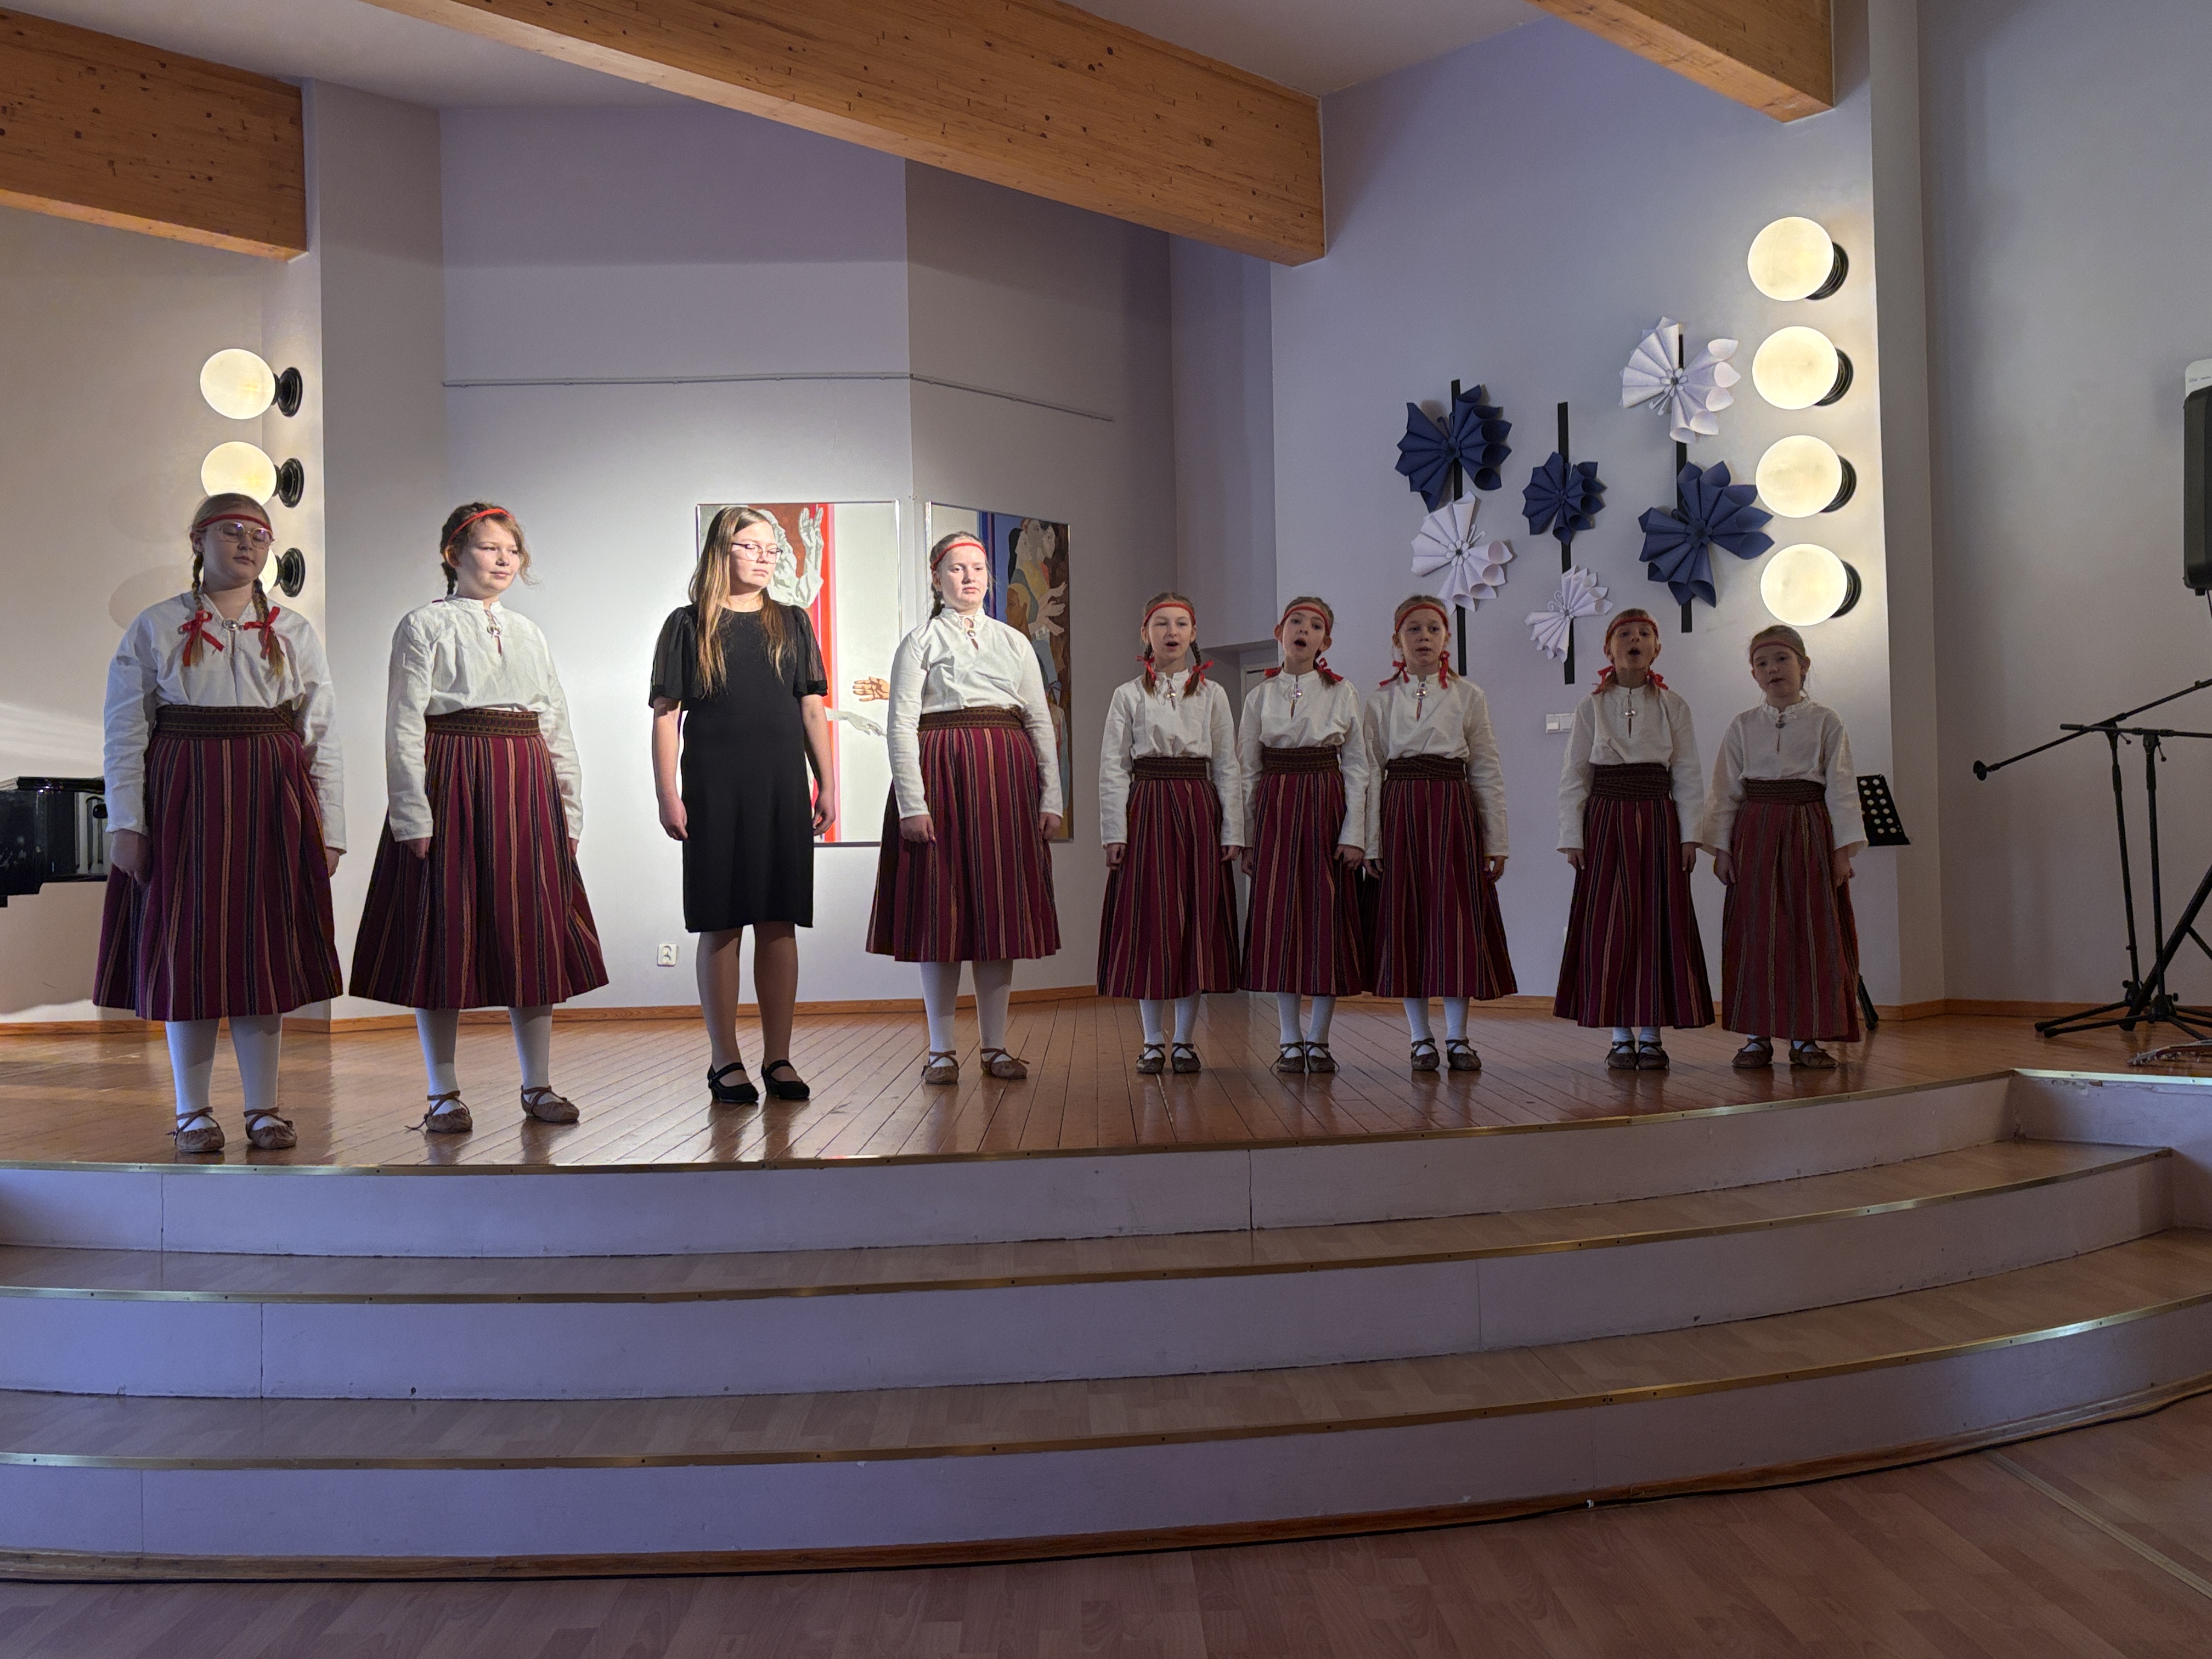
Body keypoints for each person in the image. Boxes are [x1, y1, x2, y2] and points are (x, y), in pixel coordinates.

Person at [95, 494, 345, 1155]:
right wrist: (127, 822)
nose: (246, 543)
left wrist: (330, 828)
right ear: (197, 541)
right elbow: (125, 728)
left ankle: (264, 1108)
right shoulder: (155, 626)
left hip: (271, 796)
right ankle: (193, 1112)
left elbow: (321, 732)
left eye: (259, 535)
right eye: (231, 532)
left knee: (264, 952)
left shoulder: (294, 631)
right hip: (186, 795)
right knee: (190, 949)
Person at [349, 502, 608, 1132]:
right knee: (443, 929)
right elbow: (404, 721)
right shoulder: (423, 626)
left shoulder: (528, 632)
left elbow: (555, 721)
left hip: (524, 780)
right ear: (453, 555)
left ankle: (538, 1084)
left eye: (512, 551)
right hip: (453, 776)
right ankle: (443, 1092)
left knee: (532, 929)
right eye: (490, 548)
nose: (503, 560)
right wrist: (412, 811)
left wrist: (569, 809)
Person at [651, 506, 837, 1104]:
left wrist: (828, 782)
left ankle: (779, 1057)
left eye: (772, 549)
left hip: (781, 783)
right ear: (721, 551)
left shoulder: (792, 621)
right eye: (751, 546)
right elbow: (666, 717)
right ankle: (724, 1059)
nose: (765, 557)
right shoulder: (688, 624)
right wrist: (667, 793)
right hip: (714, 785)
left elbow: (812, 708)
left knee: (779, 919)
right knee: (721, 920)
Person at [866, 531, 1062, 1084]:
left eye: (977, 567)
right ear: (937, 578)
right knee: (941, 913)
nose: (969, 577)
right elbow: (901, 725)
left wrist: (1052, 797)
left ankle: (996, 1047)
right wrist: (912, 803)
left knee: (998, 913)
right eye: (956, 568)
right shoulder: (920, 643)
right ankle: (941, 1050)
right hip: (941, 776)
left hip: (1005, 780)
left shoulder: (1014, 642)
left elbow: (1039, 721)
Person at [1362, 596, 1515, 1074]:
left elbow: (1486, 768)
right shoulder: (1380, 701)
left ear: (1447, 637)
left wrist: (1496, 840)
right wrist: (1372, 841)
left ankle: (1458, 1036)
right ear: (1397, 640)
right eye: (1414, 629)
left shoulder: (1469, 696)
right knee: (1408, 921)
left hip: (1453, 812)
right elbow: (1370, 772)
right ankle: (1419, 1037)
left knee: (1455, 923)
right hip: (1401, 813)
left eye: (1433, 628)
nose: (1424, 637)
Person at [1554, 607, 1712, 1070]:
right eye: (1624, 633)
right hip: (1605, 822)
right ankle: (1620, 1035)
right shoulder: (1590, 707)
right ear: (1609, 649)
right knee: (1611, 924)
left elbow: (1687, 773)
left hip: (1658, 820)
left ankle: (1652, 1036)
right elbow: (1575, 776)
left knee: (1654, 922)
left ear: (1657, 648)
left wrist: (1690, 835)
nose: (1634, 640)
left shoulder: (1673, 706)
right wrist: (1573, 835)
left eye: (1644, 633)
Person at [1702, 624, 1865, 1069]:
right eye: (1762, 663)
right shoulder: (1742, 726)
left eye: (1782, 659)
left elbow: (1841, 787)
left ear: (1804, 665)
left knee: (1809, 933)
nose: (1773, 669)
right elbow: (1724, 791)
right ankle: (1756, 1036)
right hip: (1754, 835)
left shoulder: (1826, 721)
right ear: (1753, 674)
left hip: (1808, 832)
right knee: (1756, 933)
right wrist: (1722, 849)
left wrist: (1842, 851)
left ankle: (1805, 1037)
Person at [1097, 592, 1243, 1074]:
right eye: (1161, 623)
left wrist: (1232, 829)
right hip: (1148, 810)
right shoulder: (1128, 695)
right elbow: (1114, 768)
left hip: (1198, 809)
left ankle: (1184, 1040)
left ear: (1193, 633)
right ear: (1146, 633)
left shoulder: (1213, 694)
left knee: (1193, 922)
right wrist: (1115, 831)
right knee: (1151, 922)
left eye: (1181, 623)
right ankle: (1152, 1039)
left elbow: (1227, 765)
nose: (1172, 632)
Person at [1239, 596, 1369, 1075]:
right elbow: (1247, 771)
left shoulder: (1342, 692)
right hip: (1277, 812)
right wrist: (1248, 837)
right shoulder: (1259, 697)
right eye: (1296, 622)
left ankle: (1320, 1038)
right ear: (1280, 632)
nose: (1304, 630)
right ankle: (1289, 1037)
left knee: (1325, 921)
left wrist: (1355, 833)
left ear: (1325, 642)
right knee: (1282, 922)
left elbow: (1358, 767)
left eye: (1315, 626)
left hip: (1325, 810)